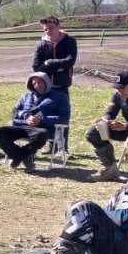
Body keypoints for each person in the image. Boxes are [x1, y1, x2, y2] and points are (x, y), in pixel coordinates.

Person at [0, 72, 70, 173]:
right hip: (22, 127)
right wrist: (26, 116)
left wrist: (41, 119)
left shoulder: (60, 97)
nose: (37, 85)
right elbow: (15, 112)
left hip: (42, 129)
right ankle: (23, 156)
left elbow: (64, 118)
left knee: (41, 134)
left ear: (47, 82)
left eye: (40, 82)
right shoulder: (25, 96)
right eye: (34, 83)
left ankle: (19, 157)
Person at [86, 71, 128, 182]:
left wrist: (125, 126)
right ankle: (109, 168)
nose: (119, 90)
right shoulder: (117, 95)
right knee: (93, 133)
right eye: (117, 87)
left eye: (122, 88)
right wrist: (104, 121)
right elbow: (111, 112)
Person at [33, 15, 77, 153]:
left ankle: (63, 148)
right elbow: (36, 66)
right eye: (45, 29)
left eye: (51, 28)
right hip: (45, 88)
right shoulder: (41, 44)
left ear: (58, 26)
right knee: (46, 116)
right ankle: (52, 146)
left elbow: (70, 61)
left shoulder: (69, 41)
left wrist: (49, 63)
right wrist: (58, 67)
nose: (48, 31)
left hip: (62, 86)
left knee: (62, 117)